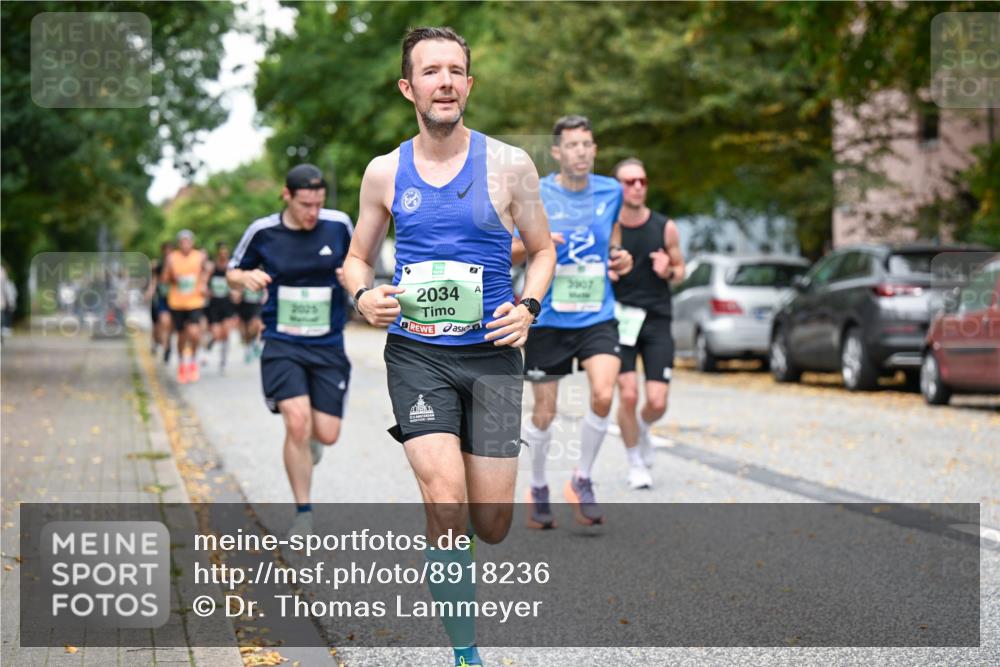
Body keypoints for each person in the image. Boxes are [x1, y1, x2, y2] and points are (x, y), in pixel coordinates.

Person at [343, 26, 555, 667]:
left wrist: (528, 308)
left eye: (455, 71)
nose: (445, 82)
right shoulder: (385, 171)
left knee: (491, 524)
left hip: (492, 355)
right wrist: (363, 296)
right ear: (408, 87)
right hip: (418, 355)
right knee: (447, 502)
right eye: (431, 72)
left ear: (469, 84)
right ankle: (466, 652)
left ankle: (457, 517)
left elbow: (543, 251)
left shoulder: (511, 165)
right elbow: (356, 259)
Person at [513, 115, 633, 529]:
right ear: (557, 152)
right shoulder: (538, 193)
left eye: (587, 144)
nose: (581, 151)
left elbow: (613, 237)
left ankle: (581, 478)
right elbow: (508, 249)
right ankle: (538, 486)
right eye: (572, 145)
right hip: (548, 318)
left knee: (604, 393)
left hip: (598, 314)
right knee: (545, 412)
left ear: (594, 149)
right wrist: (537, 244)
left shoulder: (611, 191)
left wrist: (619, 256)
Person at [227, 164, 354, 537]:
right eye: (305, 205)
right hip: (282, 342)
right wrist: (245, 277)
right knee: (296, 422)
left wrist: (351, 277)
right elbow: (232, 272)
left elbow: (359, 263)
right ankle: (303, 513)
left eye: (318, 203)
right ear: (286, 196)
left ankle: (312, 441)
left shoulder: (339, 225)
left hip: (328, 343)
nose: (313, 212)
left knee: (326, 434)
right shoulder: (263, 231)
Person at [612, 158, 686, 490]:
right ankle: (635, 463)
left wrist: (668, 269)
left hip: (656, 319)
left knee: (657, 401)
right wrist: (607, 273)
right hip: (619, 321)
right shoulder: (609, 227)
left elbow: (681, 270)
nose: (638, 186)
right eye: (630, 181)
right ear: (618, 187)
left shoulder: (664, 226)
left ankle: (642, 428)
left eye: (642, 180)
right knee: (628, 395)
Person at [162, 230, 209, 383]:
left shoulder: (199, 256)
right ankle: (182, 363)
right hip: (177, 303)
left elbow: (207, 271)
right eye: (182, 242)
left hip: (195, 301)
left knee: (194, 333)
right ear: (179, 243)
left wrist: (203, 284)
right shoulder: (172, 258)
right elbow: (164, 279)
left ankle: (193, 361)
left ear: (192, 242)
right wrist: (171, 276)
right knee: (181, 336)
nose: (185, 244)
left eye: (188, 241)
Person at [205, 242, 238, 374]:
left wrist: (236, 293)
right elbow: (204, 282)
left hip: (227, 304)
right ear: (218, 254)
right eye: (221, 253)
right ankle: (212, 340)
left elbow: (237, 284)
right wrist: (207, 291)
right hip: (214, 305)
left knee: (226, 333)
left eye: (225, 253)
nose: (223, 255)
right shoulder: (212, 268)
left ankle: (223, 362)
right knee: (217, 334)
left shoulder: (231, 268)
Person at [147, 242, 174, 361]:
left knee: (169, 325)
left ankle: (167, 346)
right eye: (166, 252)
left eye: (170, 252)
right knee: (159, 323)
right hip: (160, 299)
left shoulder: (177, 265)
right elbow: (154, 281)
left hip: (174, 300)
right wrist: (150, 292)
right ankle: (158, 342)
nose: (168, 254)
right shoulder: (158, 266)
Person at [236, 284, 265, 362]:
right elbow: (236, 296)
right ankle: (248, 348)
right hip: (244, 306)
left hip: (256, 306)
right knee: (246, 332)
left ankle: (257, 344)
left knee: (256, 324)